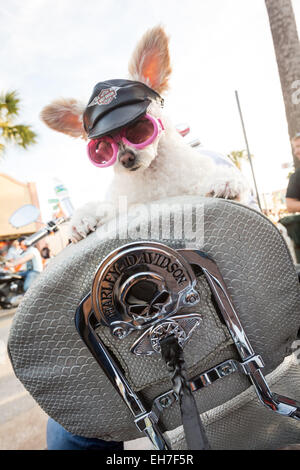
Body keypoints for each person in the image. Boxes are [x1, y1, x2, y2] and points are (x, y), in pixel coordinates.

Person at [286, 133, 300, 212]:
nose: (296, 152)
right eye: (295, 148)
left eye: (298, 146)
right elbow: (290, 205)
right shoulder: (296, 176)